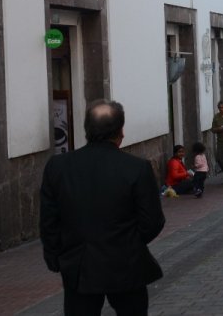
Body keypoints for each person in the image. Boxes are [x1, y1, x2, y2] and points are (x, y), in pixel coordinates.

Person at [40, 100, 164, 315]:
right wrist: (128, 242)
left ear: (86, 129)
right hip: (126, 262)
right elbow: (152, 221)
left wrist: (55, 255)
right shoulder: (137, 168)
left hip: (79, 264)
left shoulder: (58, 167)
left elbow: (49, 219)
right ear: (120, 132)